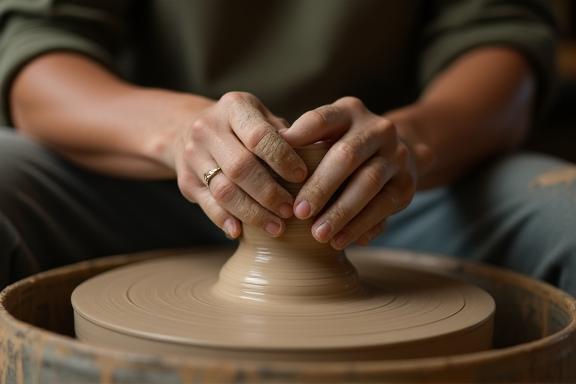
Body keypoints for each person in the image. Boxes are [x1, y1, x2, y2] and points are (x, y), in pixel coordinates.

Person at [1, 0, 574, 295]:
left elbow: (502, 41)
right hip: (140, 174)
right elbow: (36, 54)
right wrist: (178, 131)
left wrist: (412, 145)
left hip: (394, 188)